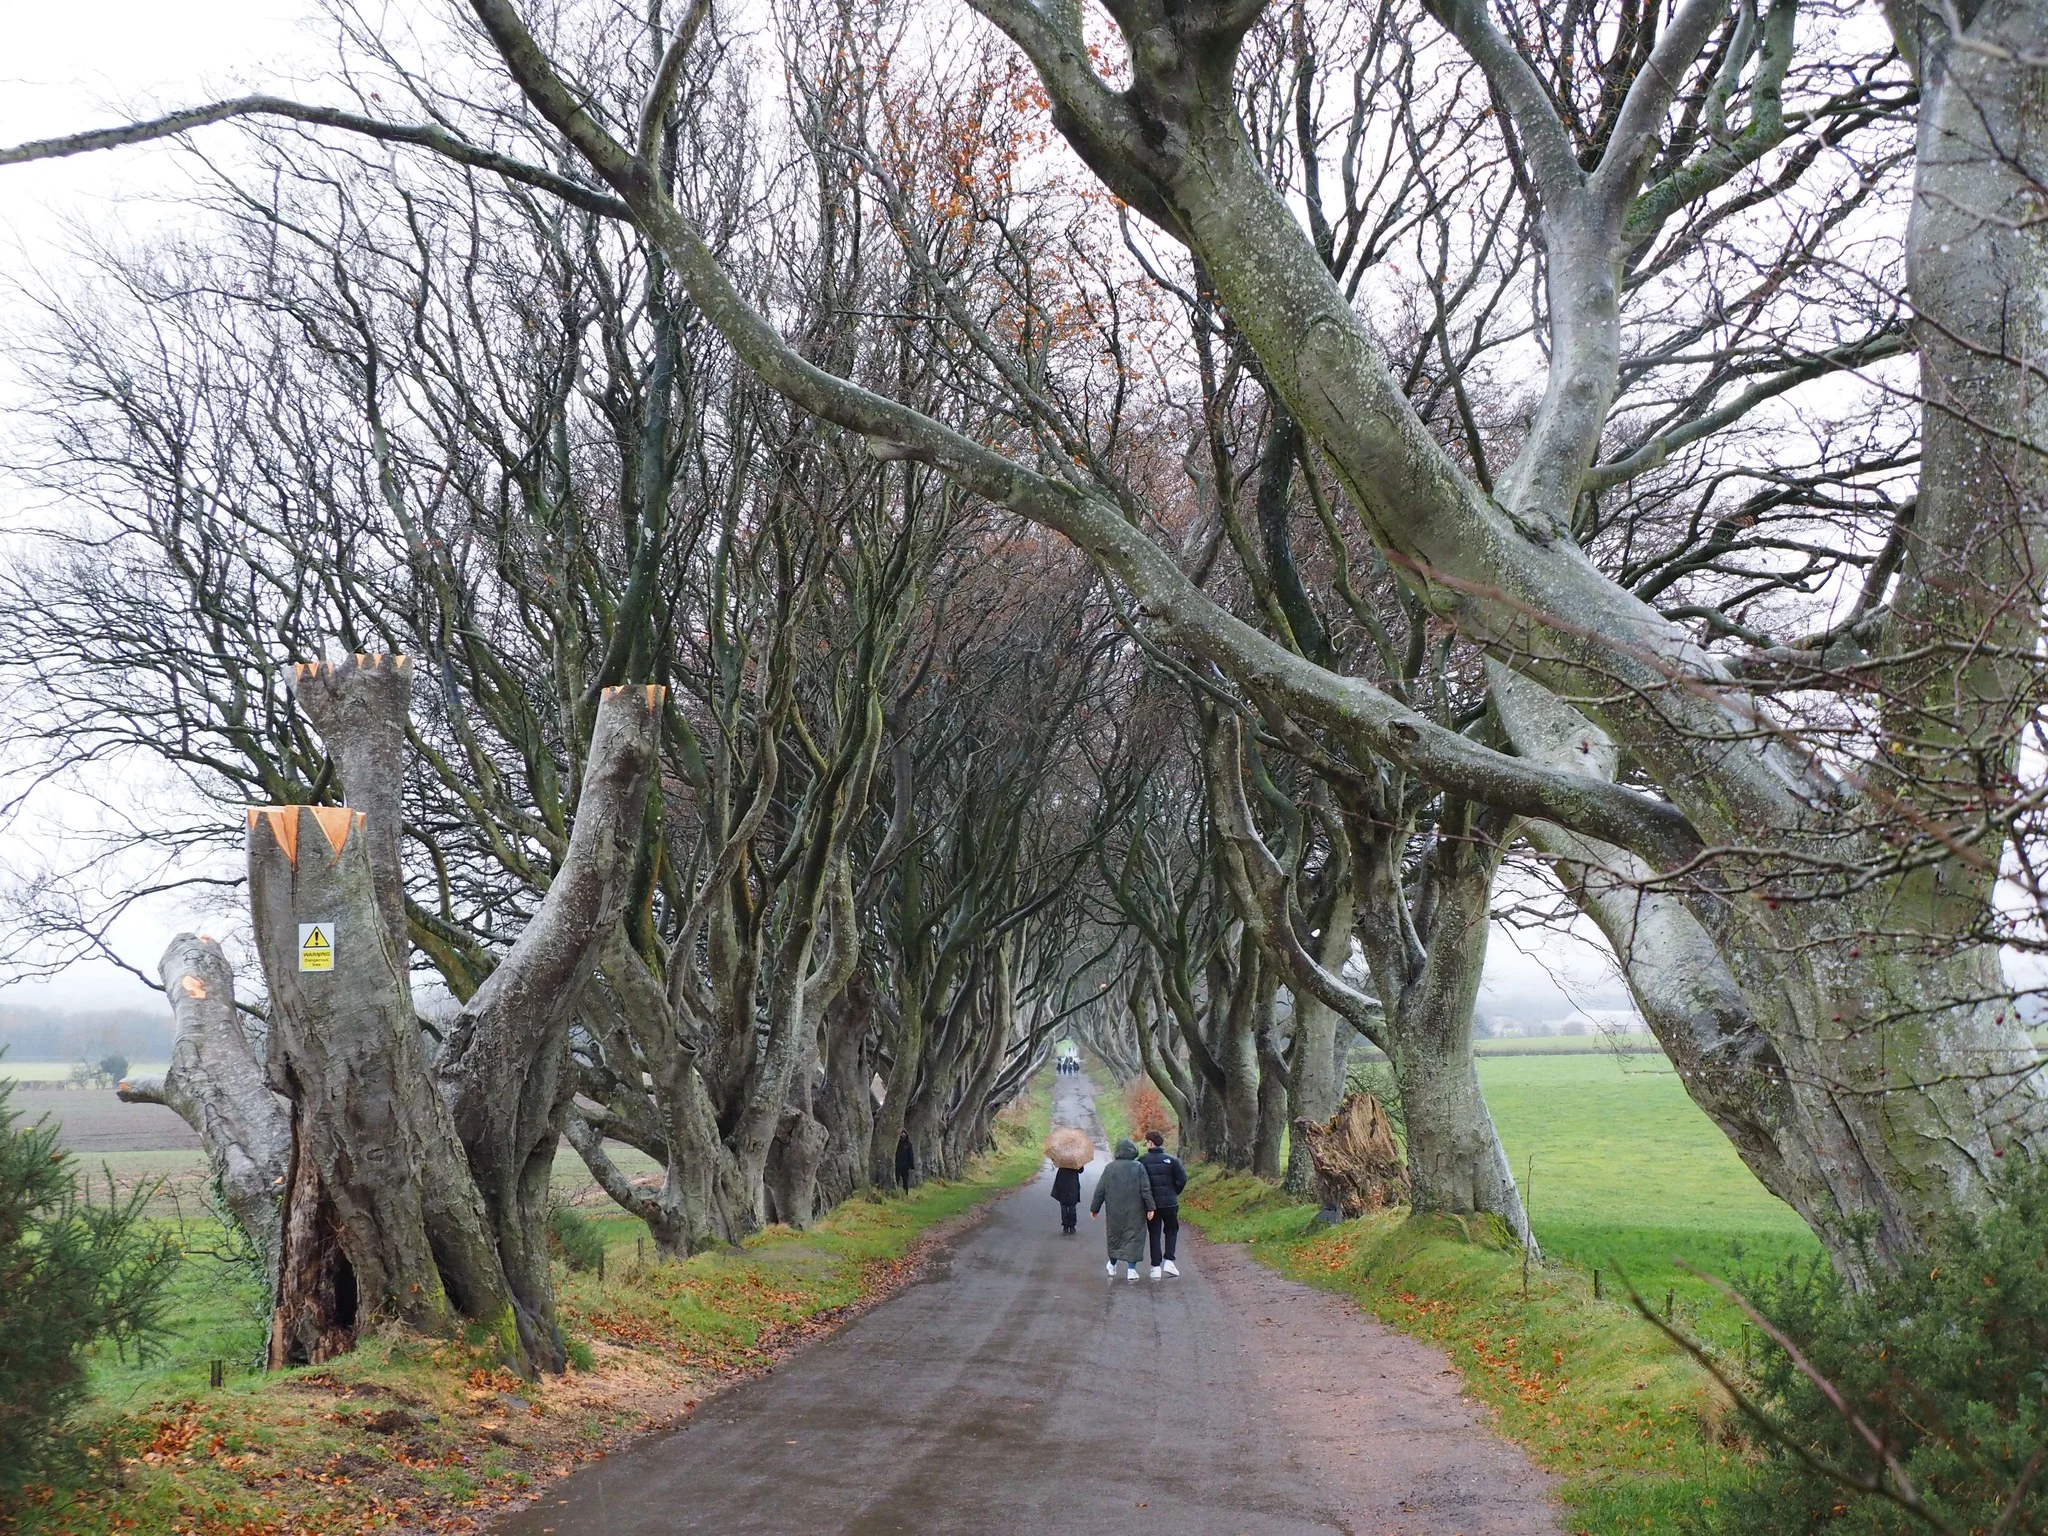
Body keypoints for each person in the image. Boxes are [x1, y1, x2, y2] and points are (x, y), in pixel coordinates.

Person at [1090, 1138, 1155, 1282]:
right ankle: (1131, 1270)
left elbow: (1100, 1190)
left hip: (1114, 1209)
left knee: (1114, 1236)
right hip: (1135, 1209)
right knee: (1134, 1236)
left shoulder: (1110, 1168)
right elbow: (1145, 1188)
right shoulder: (1138, 1167)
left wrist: (1095, 1208)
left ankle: (1112, 1264)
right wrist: (1150, 1207)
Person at [1139, 1129, 1186, 1278]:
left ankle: (1155, 1267)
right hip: (1170, 1202)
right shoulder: (1172, 1160)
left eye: (1147, 1141)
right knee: (1171, 1230)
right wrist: (1174, 1192)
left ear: (1150, 1143)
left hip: (1152, 1204)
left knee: (1154, 1233)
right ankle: (1169, 1260)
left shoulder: (1142, 1161)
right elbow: (1182, 1179)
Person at [1051, 1163, 1082, 1233]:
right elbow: (1081, 1170)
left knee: (1063, 1204)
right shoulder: (1076, 1160)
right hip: (1073, 1184)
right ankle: (1072, 1226)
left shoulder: (1062, 1159)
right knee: (1072, 1205)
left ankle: (1065, 1225)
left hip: (1062, 1183)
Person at [895, 1127, 916, 1194]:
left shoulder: (908, 1144)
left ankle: (906, 1193)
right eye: (901, 1133)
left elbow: (911, 1155)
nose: (903, 1134)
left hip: (905, 1165)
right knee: (896, 1179)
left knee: (905, 1180)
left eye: (904, 1133)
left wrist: (912, 1165)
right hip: (897, 1165)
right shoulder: (896, 1144)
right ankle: (896, 1191)